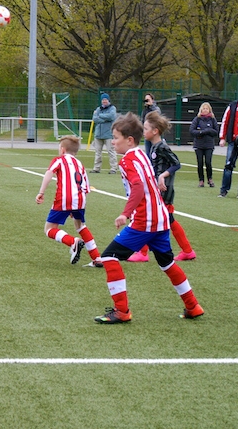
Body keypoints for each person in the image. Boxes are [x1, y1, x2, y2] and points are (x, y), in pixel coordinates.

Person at [93, 112, 204, 324]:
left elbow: (137, 186)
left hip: (145, 221)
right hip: (161, 218)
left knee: (108, 257)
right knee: (167, 263)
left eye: (115, 138)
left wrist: (125, 213)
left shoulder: (128, 160)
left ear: (129, 140)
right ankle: (193, 306)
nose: (113, 142)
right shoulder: (142, 154)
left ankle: (122, 311)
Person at [128, 111, 196, 262]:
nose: (143, 131)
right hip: (158, 189)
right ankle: (187, 251)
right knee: (163, 219)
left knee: (153, 218)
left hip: (164, 190)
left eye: (146, 128)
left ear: (155, 131)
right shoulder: (154, 146)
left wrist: (162, 176)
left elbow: (176, 164)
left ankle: (143, 253)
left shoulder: (162, 147)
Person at [36, 135, 102, 266]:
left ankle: (73, 242)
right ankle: (97, 258)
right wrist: (75, 205)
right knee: (81, 226)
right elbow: (86, 186)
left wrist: (41, 192)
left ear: (62, 149)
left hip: (64, 198)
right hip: (80, 199)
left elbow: (49, 173)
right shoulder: (80, 164)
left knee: (49, 229)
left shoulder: (59, 160)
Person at [189, 102, 219, 188]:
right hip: (199, 145)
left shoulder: (212, 119)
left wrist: (208, 130)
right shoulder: (197, 119)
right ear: (201, 110)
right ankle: (201, 180)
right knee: (200, 163)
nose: (205, 110)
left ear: (209, 110)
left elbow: (216, 131)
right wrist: (202, 132)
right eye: (204, 108)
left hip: (209, 145)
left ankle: (210, 179)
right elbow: (192, 131)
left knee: (208, 162)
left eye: (207, 109)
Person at [91, 93, 118, 174]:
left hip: (108, 134)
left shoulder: (112, 108)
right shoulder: (98, 108)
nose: (104, 101)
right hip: (98, 135)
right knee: (97, 152)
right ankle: (96, 168)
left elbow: (111, 116)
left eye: (105, 99)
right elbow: (95, 119)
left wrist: (100, 115)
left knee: (111, 151)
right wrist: (104, 119)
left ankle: (113, 168)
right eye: (103, 100)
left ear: (108, 100)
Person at [140, 93, 161, 157]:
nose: (147, 101)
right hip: (147, 133)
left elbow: (158, 115)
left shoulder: (156, 108)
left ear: (152, 100)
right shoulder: (145, 110)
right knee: (148, 153)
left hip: (154, 133)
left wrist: (151, 106)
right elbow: (142, 120)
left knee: (155, 152)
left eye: (148, 99)